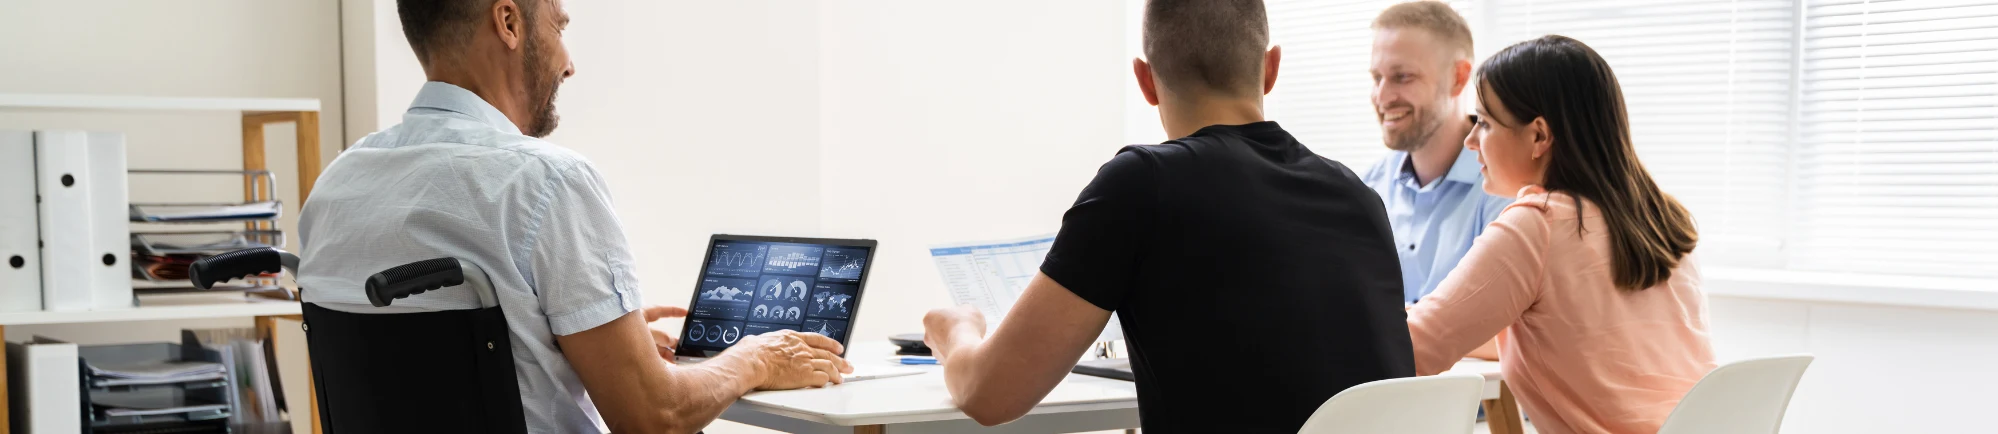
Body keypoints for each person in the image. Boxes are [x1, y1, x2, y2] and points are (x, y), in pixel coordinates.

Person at [294, 0, 849, 432]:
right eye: (558, 28)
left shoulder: (338, 183)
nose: (569, 62)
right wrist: (753, 359)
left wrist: (567, 336)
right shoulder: (543, 180)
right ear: (508, 22)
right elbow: (653, 418)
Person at [920, 1, 1413, 432]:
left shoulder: (1141, 184)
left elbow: (991, 394)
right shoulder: (1359, 196)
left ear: (1145, 79)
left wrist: (957, 329)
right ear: (1271, 69)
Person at [1404, 35, 1716, 434]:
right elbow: (1565, 336)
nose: (1470, 141)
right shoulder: (1661, 219)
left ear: (1538, 136)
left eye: (1483, 123)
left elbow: (1414, 351)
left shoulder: (1537, 225)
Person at [1363, 1, 1513, 306]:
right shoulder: (1368, 188)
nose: (1382, 97)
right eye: (1377, 78)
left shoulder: (1507, 190)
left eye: (1402, 76)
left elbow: (1510, 328)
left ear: (1458, 78)